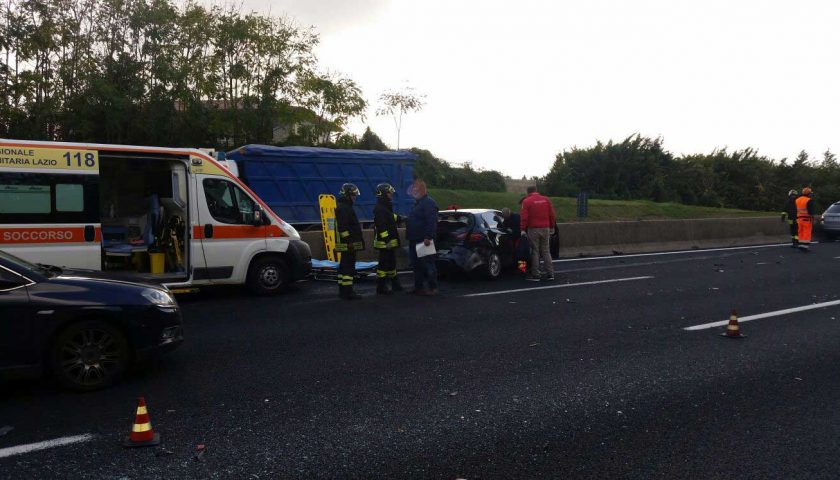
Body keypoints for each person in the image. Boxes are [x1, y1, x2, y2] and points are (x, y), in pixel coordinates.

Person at [406, 179, 439, 295]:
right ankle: (418, 287)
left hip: (423, 239)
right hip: (414, 239)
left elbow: (432, 221)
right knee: (416, 265)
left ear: (422, 190)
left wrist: (428, 237)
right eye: (413, 189)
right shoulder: (418, 203)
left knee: (428, 264)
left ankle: (432, 288)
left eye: (416, 189)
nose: (413, 191)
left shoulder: (429, 203)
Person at [334, 183, 364, 299]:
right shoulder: (345, 208)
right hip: (348, 244)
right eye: (353, 195)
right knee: (348, 267)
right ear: (347, 195)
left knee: (344, 267)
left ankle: (343, 291)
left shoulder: (344, 207)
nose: (355, 197)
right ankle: (348, 292)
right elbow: (343, 228)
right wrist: (349, 241)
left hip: (347, 243)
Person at [520, 186, 556, 281]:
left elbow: (524, 217)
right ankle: (550, 273)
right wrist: (552, 226)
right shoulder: (546, 200)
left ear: (528, 192)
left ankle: (535, 274)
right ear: (536, 191)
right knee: (546, 250)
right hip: (546, 228)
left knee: (535, 251)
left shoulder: (527, 201)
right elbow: (552, 214)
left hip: (533, 229)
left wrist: (523, 229)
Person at [373, 183, 402, 294]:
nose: (391, 195)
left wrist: (400, 218)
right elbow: (381, 226)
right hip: (385, 243)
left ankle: (395, 284)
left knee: (391, 264)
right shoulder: (379, 208)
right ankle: (381, 287)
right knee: (383, 265)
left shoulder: (385, 207)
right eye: (390, 193)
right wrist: (387, 240)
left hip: (389, 242)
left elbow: (390, 216)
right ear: (384, 194)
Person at [795, 187, 816, 252]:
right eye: (810, 193)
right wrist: (813, 218)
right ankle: (805, 247)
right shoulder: (809, 200)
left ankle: (801, 246)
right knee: (807, 232)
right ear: (808, 194)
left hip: (799, 219)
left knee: (800, 232)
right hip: (807, 219)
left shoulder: (797, 200)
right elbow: (810, 211)